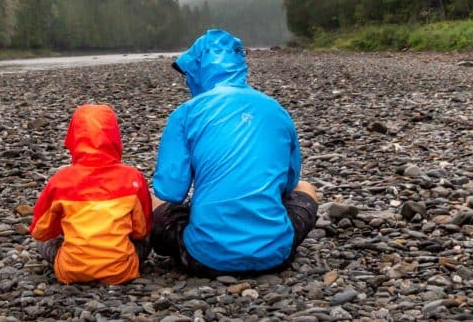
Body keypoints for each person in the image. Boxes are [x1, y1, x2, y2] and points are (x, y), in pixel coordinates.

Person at [151, 28, 318, 276]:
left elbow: (170, 192)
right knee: (306, 188)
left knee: (154, 200)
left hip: (204, 258)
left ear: (197, 70)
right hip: (274, 255)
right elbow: (290, 182)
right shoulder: (277, 110)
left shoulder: (185, 114)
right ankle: (265, 234)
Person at [29, 104, 152, 285]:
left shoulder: (60, 180)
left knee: (44, 242)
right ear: (115, 137)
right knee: (148, 236)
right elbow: (141, 231)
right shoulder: (132, 177)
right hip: (121, 270)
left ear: (73, 137)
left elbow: (40, 232)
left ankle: (79, 260)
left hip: (71, 270)